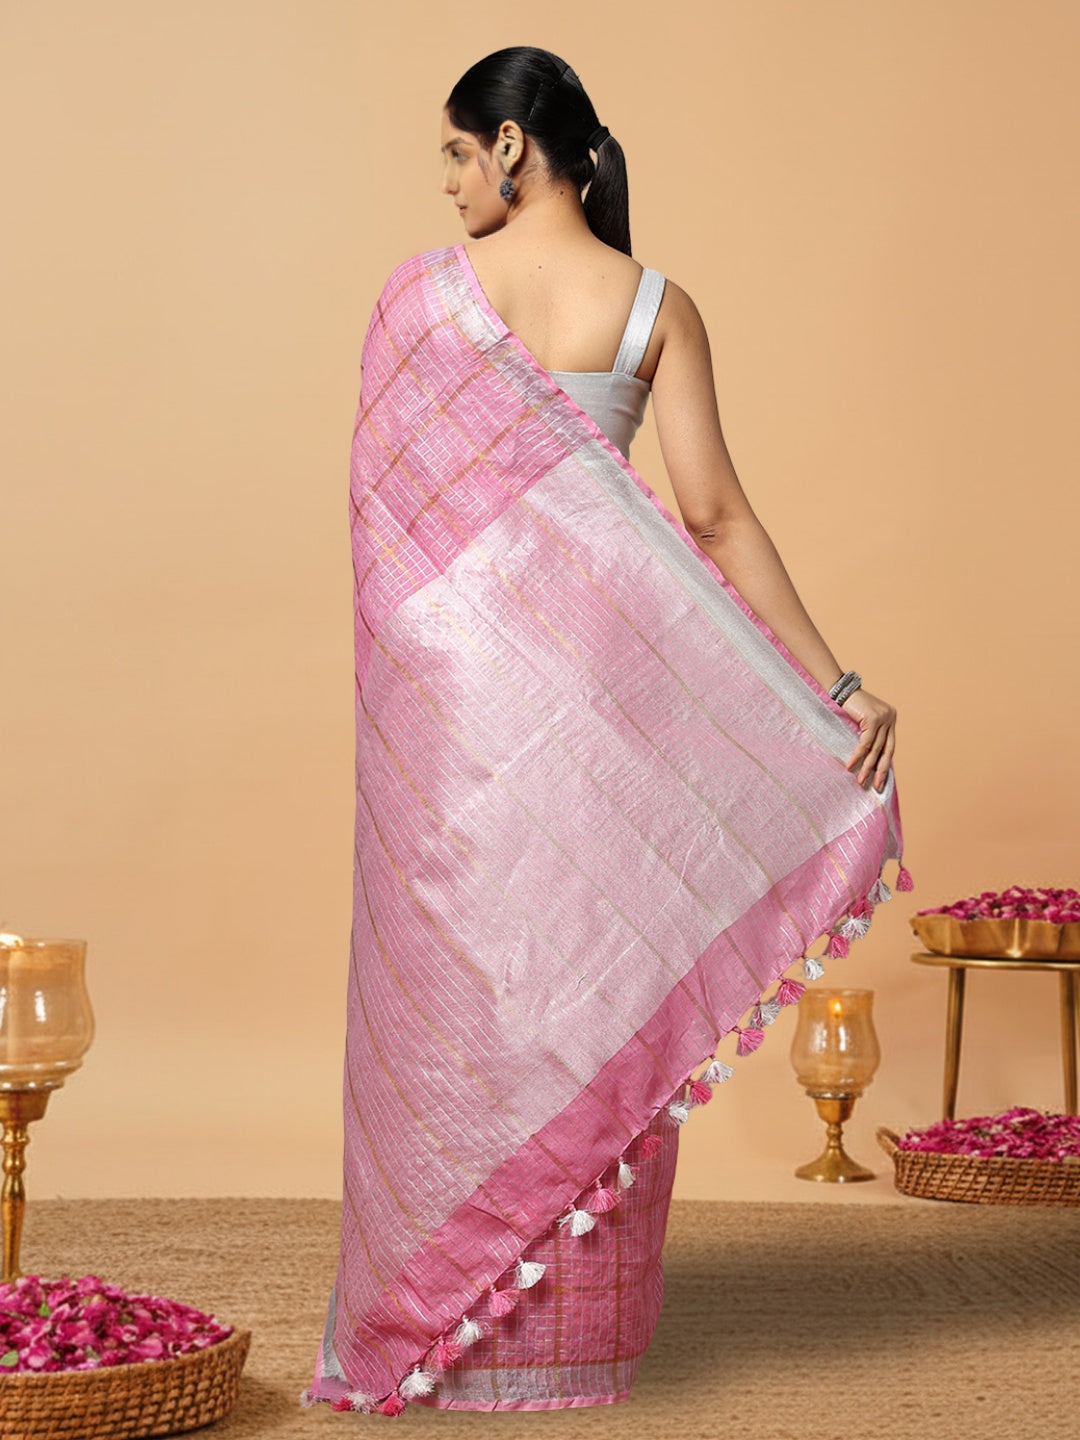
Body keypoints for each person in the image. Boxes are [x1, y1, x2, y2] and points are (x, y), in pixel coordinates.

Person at [302, 45, 907, 1418]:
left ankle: (430, 1326)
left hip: (454, 713)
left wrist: (429, 672)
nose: (450, 182)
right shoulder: (654, 307)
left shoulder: (419, 303)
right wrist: (837, 687)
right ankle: (575, 1345)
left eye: (458, 152)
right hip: (598, 710)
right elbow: (716, 518)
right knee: (594, 976)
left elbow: (389, 533)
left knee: (455, 995)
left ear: (515, 146)